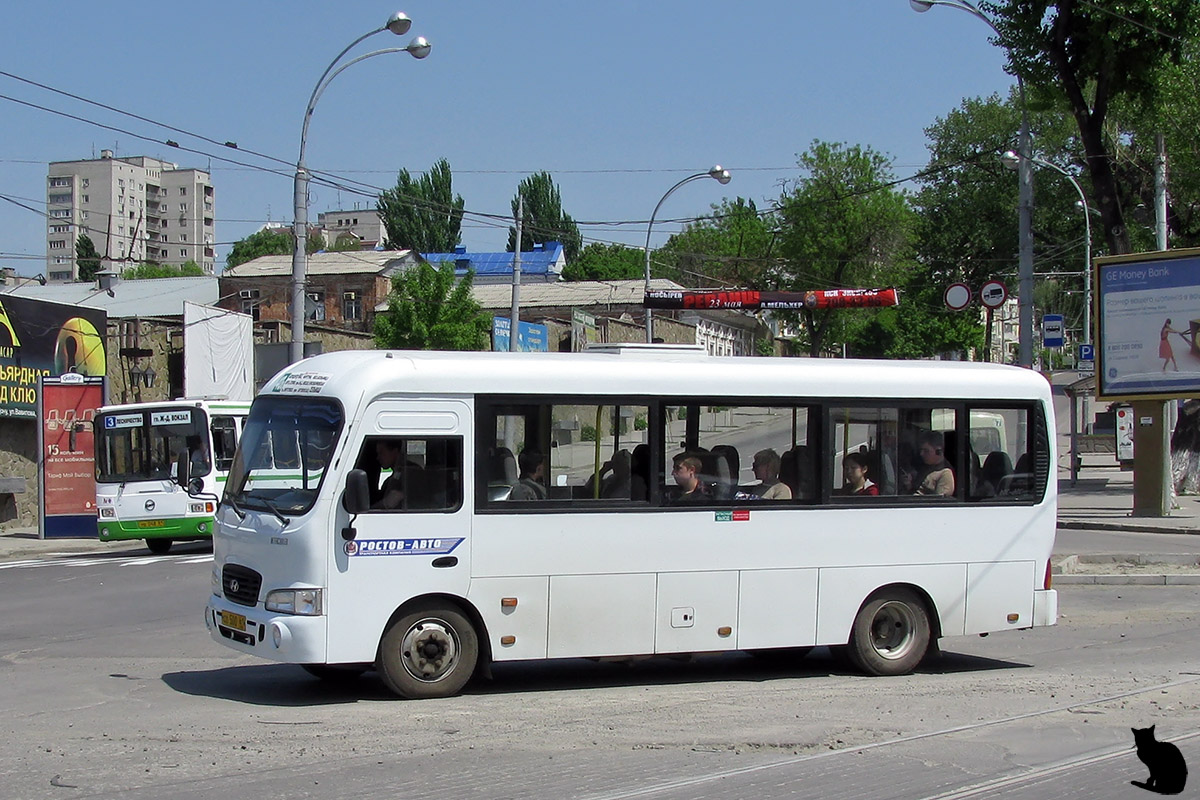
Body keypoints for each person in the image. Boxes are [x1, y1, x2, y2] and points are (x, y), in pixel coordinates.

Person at [912, 430, 954, 497]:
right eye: (921, 450)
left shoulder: (945, 473)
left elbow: (940, 502)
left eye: (926, 451)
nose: (921, 454)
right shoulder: (925, 469)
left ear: (938, 451)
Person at [372, 439, 406, 509]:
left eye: (381, 453)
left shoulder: (409, 474)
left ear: (395, 451)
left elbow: (391, 502)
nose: (378, 458)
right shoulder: (391, 480)